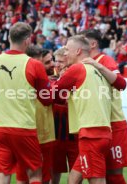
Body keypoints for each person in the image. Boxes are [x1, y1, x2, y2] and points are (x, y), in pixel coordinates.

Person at [0, 22, 52, 184]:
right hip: (23, 128)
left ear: (9, 38)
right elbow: (47, 98)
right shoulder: (34, 64)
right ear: (27, 40)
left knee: (2, 174)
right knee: (34, 174)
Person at [53, 35, 112, 184]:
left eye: (67, 49)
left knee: (96, 180)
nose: (65, 53)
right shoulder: (96, 69)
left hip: (92, 134)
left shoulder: (77, 69)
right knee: (73, 180)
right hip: (99, 132)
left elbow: (52, 94)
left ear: (78, 51)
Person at [81, 29, 127, 184]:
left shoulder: (105, 60)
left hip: (113, 123)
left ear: (93, 43)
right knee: (96, 174)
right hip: (95, 126)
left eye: (83, 41)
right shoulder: (83, 63)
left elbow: (120, 83)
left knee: (113, 175)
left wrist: (99, 66)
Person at [16, 46, 55, 184]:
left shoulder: (20, 76)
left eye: (52, 60)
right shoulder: (43, 81)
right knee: (36, 177)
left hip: (27, 133)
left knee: (25, 177)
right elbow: (48, 99)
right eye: (47, 62)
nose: (53, 64)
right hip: (40, 135)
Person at [51, 47, 79, 184]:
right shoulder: (51, 79)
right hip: (57, 132)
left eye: (61, 61)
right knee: (54, 170)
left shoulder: (78, 76)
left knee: (77, 171)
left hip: (74, 132)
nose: (57, 64)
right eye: (56, 61)